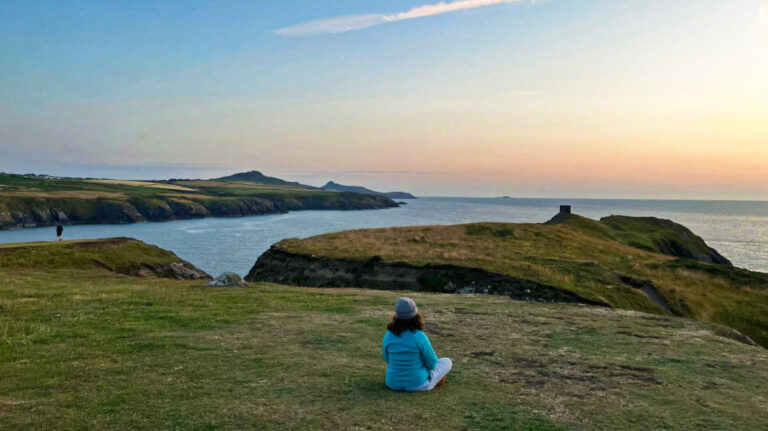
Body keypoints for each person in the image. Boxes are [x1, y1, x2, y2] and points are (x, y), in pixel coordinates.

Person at [382, 297, 452, 392]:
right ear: (415, 315)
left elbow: (387, 358)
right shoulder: (420, 336)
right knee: (447, 361)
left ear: (396, 315)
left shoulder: (389, 334)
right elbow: (432, 363)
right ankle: (435, 379)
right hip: (418, 384)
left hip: (392, 383)